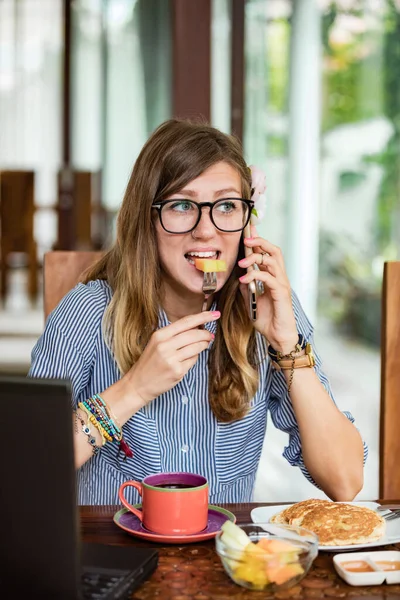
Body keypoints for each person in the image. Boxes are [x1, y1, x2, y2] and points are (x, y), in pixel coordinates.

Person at [29, 119, 366, 505]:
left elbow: (345, 481)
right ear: (148, 219)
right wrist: (134, 389)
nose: (206, 230)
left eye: (226, 205)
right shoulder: (88, 311)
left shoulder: (269, 311)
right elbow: (26, 467)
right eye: (182, 206)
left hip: (225, 560)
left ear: (247, 222)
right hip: (114, 559)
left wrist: (287, 346)